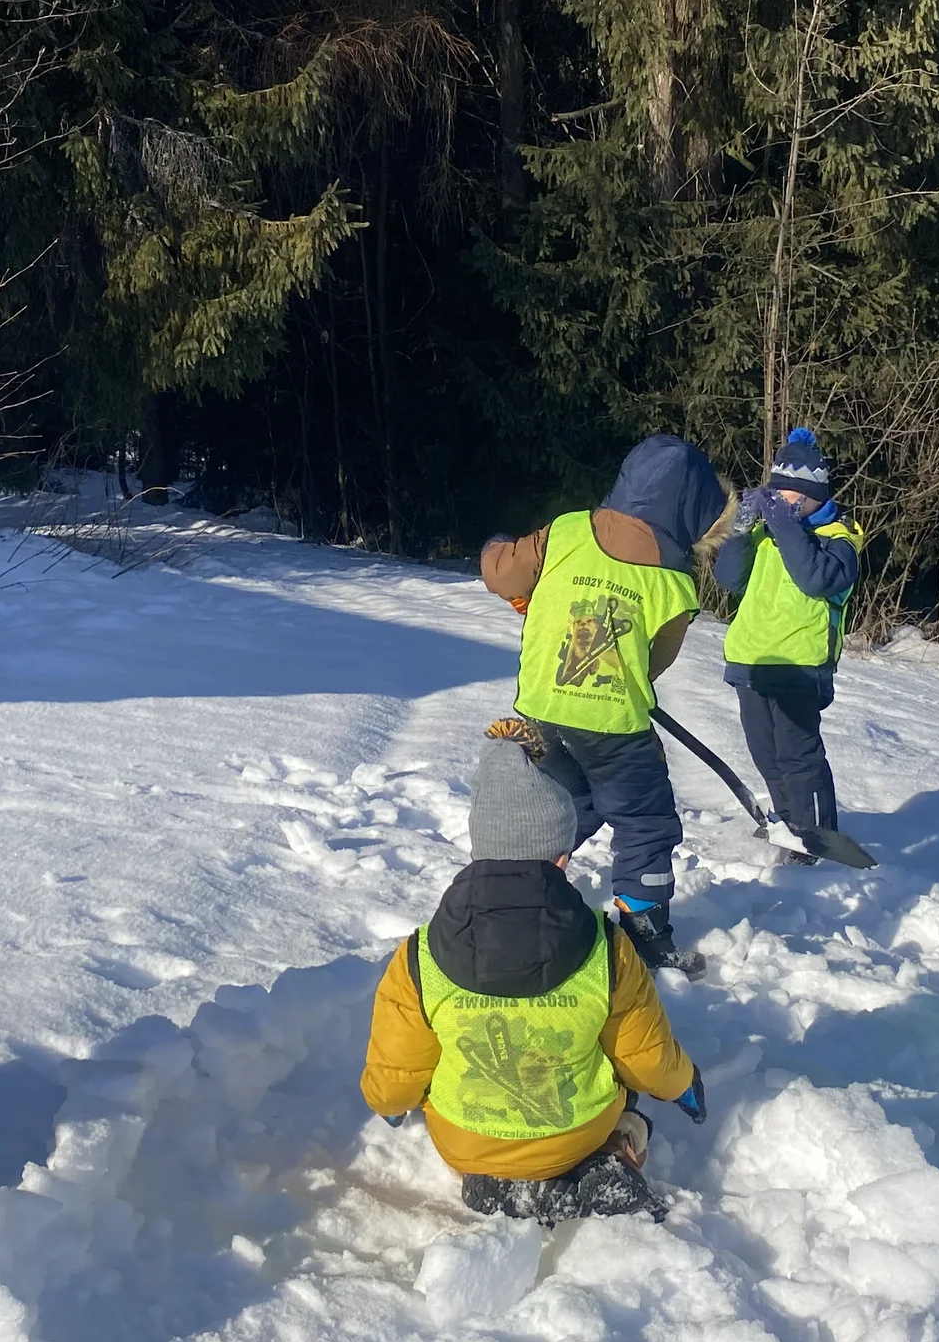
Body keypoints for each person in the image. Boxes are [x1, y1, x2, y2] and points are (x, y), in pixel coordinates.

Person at [361, 728, 707, 1221]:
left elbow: (396, 1074)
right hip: (578, 1132)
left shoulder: (421, 955)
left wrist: (392, 1105)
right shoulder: (605, 948)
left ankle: (496, 1181)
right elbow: (643, 1057)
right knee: (628, 1102)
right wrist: (684, 1085)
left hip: (466, 1141)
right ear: (561, 855)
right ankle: (612, 1155)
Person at [479, 433, 731, 969]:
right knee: (645, 820)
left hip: (541, 711)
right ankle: (643, 927)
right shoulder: (675, 582)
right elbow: (653, 662)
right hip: (613, 726)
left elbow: (500, 573)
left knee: (564, 804)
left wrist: (502, 549)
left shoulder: (565, 532)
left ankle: (520, 894)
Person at [714, 426, 861, 860]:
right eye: (778, 495)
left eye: (793, 497)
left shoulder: (840, 536)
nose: (784, 503)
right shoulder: (767, 534)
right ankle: (787, 823)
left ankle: (817, 838)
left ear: (815, 495)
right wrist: (740, 530)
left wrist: (783, 524)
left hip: (801, 664)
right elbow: (728, 579)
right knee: (766, 752)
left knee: (800, 757)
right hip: (752, 659)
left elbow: (816, 578)